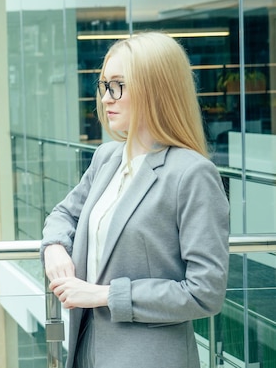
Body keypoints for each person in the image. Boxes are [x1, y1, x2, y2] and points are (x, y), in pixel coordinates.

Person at [41, 32, 229, 368]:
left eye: (118, 86)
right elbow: (63, 214)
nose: (106, 99)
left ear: (155, 89)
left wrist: (106, 295)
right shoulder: (108, 157)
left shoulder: (191, 174)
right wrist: (54, 246)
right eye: (104, 86)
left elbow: (205, 292)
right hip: (86, 349)